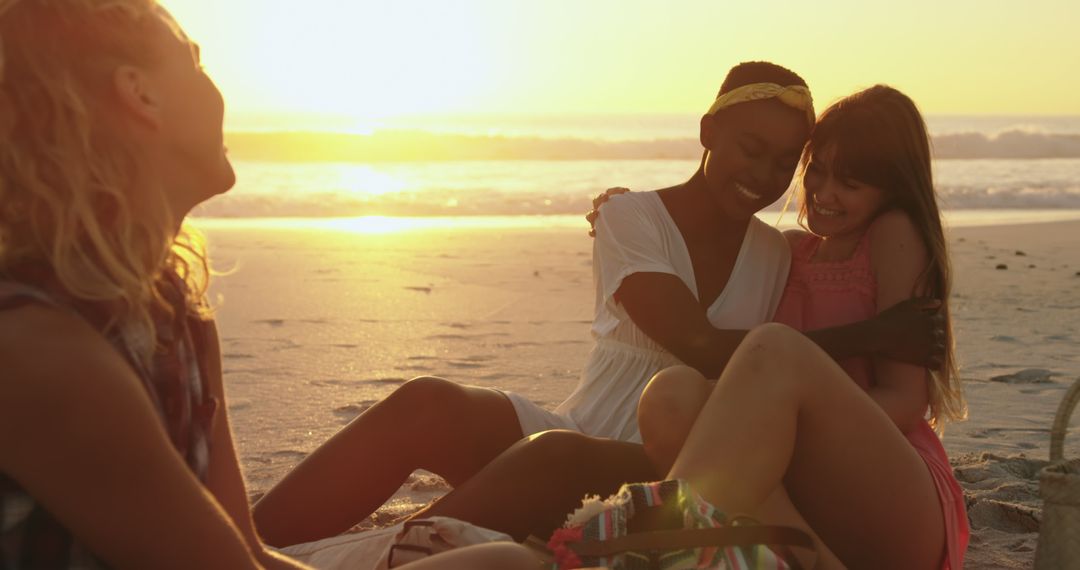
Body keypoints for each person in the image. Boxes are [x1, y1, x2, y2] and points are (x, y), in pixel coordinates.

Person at [252, 62, 944, 545]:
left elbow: (801, 354)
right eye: (750, 150)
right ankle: (243, 540)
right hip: (586, 423)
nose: (766, 177)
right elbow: (703, 344)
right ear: (708, 132)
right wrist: (874, 332)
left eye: (782, 161)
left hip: (683, 453)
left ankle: (383, 553)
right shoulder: (632, 218)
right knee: (428, 401)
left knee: (553, 458)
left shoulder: (781, 254)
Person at [0, 1, 539, 568]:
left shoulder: (172, 308)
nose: (217, 92)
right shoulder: (42, 351)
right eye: (195, 62)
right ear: (141, 95)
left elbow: (246, 550)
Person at [638, 85, 969, 569]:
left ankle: (663, 547)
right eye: (818, 170)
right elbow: (704, 244)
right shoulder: (788, 252)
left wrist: (785, 434)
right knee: (672, 395)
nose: (824, 192)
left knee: (773, 347)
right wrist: (631, 213)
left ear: (892, 189)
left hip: (894, 496)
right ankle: (808, 559)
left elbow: (904, 401)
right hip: (809, 506)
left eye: (850, 184)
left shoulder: (891, 233)